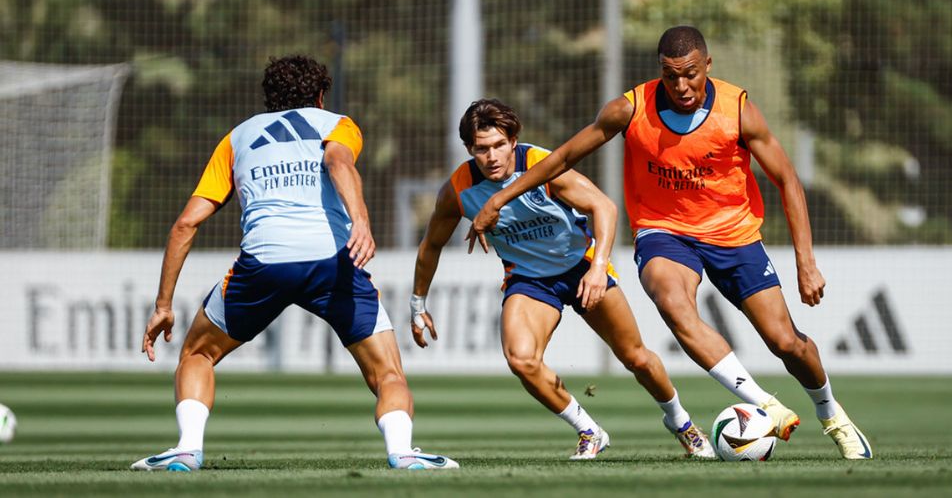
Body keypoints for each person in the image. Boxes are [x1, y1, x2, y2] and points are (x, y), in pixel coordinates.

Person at [467, 27, 873, 460]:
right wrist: (500, 198)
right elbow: (562, 157)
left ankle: (832, 415)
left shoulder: (738, 110)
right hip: (664, 231)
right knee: (674, 304)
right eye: (670, 75)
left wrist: (805, 262)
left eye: (690, 75)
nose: (680, 86)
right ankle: (766, 405)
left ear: (708, 66)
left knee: (786, 342)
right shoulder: (630, 108)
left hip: (734, 234)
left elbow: (788, 180)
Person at [131, 55, 458, 471]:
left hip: (264, 262)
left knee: (197, 354)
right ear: (321, 96)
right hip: (333, 263)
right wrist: (361, 220)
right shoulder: (338, 124)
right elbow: (338, 162)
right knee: (388, 373)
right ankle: (404, 454)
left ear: (269, 99)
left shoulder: (236, 138)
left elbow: (185, 224)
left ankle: (186, 450)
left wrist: (163, 305)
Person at [410, 98, 715, 460]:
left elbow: (604, 206)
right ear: (468, 149)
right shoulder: (459, 189)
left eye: (498, 146)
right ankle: (589, 430)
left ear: (513, 141)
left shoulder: (541, 165)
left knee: (636, 358)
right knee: (521, 359)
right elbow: (431, 245)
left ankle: (681, 423)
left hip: (581, 266)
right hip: (529, 280)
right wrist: (418, 304)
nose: (491, 157)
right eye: (481, 149)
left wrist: (599, 267)